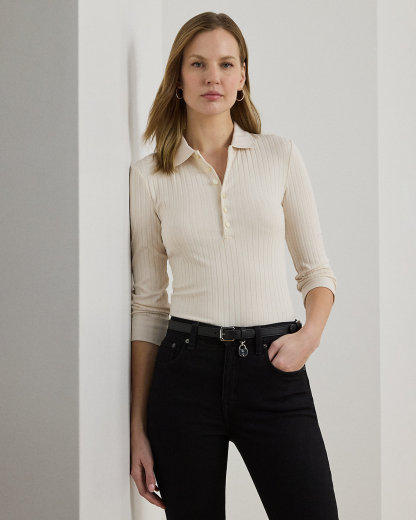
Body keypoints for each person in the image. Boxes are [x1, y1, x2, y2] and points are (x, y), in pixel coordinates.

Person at [129, 11, 339, 520]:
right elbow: (149, 306)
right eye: (198, 64)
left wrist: (309, 336)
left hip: (273, 368)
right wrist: (136, 426)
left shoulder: (279, 156)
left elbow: (316, 272)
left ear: (243, 76)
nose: (213, 77)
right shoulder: (149, 175)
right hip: (184, 375)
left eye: (226, 64)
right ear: (178, 77)